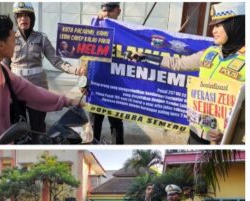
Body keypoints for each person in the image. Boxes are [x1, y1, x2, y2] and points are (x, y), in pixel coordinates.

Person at [129, 2, 245, 144]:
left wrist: (229, 131)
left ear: (235, 25)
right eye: (213, 26)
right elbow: (178, 63)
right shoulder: (210, 53)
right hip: (197, 130)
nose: (213, 31)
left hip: (225, 140)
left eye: (219, 25)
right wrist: (145, 56)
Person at [0, 14, 81, 144]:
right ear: (1, 45)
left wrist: (67, 101)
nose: (16, 42)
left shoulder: (2, 70)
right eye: (13, 38)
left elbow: (29, 90)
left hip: (6, 139)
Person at [8, 2, 85, 136]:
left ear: (32, 18)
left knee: (38, 125)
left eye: (27, 15)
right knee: (17, 125)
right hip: (16, 87)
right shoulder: (10, 38)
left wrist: (76, 70)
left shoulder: (41, 38)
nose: (23, 19)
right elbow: (3, 64)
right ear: (16, 19)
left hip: (37, 87)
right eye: (19, 16)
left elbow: (56, 61)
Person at [90, 2, 125, 144]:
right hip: (96, 86)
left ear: (118, 11)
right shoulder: (95, 26)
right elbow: (85, 55)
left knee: (116, 125)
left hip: (115, 88)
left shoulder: (125, 32)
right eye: (104, 10)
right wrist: (83, 80)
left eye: (110, 10)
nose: (106, 13)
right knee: (93, 126)